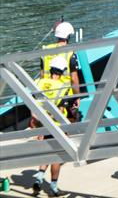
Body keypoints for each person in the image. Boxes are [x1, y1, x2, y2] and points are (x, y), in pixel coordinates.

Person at [31, 56, 70, 197]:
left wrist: (36, 121)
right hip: (56, 126)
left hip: (41, 123)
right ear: (63, 71)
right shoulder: (63, 87)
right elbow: (59, 112)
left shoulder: (38, 82)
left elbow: (32, 104)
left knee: (46, 153)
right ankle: (53, 187)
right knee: (57, 156)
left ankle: (39, 178)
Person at [40, 21, 81, 123]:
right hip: (65, 95)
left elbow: (42, 75)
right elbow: (74, 79)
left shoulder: (46, 50)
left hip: (47, 92)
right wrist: (77, 97)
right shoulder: (70, 53)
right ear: (68, 36)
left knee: (48, 120)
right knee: (70, 120)